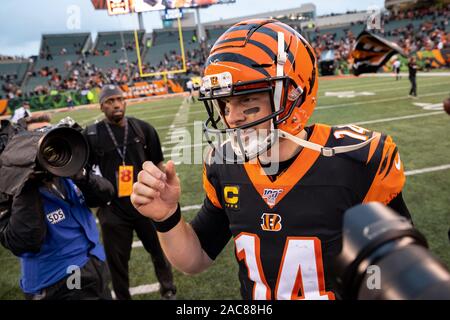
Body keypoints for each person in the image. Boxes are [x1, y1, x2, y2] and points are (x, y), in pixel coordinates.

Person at [130, 19, 411, 300]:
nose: (232, 116)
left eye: (247, 100)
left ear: (293, 95)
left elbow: (397, 268)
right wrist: (167, 217)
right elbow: (196, 258)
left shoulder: (357, 159)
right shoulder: (223, 163)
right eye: (226, 103)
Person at [0, 119, 114, 300]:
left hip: (93, 262)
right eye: (36, 138)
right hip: (57, 280)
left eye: (49, 135)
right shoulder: (7, 186)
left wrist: (80, 174)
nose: (47, 147)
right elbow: (24, 242)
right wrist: (25, 181)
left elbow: (106, 194)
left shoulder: (65, 169)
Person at [83, 85, 176, 300]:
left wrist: (163, 195)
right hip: (113, 209)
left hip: (146, 204)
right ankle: (123, 296)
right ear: (101, 106)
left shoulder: (142, 129)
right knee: (117, 261)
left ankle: (168, 289)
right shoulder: (92, 134)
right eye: (109, 101)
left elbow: (159, 165)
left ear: (125, 102)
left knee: (159, 251)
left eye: (119, 99)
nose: (116, 104)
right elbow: (85, 174)